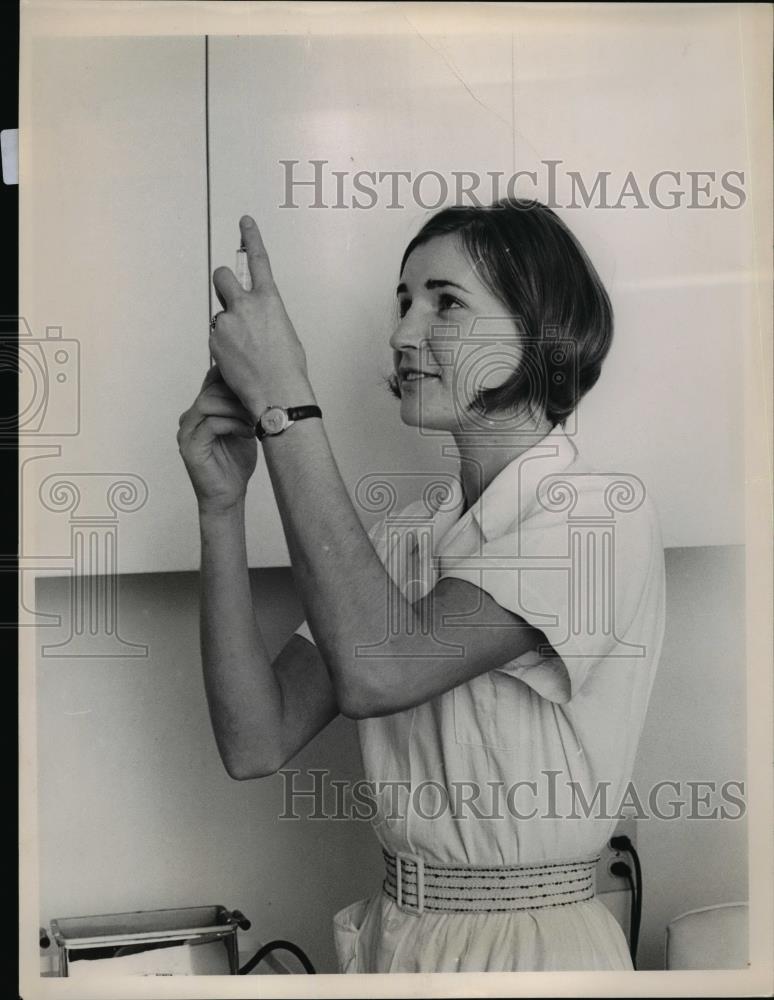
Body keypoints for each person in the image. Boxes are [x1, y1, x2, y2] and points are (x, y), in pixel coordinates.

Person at [177, 199, 666, 973]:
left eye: (446, 303)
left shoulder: (596, 516)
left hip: (532, 953)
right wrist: (221, 509)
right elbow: (254, 740)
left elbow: (380, 670)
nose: (404, 333)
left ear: (539, 330)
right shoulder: (401, 537)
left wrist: (284, 401)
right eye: (403, 302)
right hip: (398, 939)